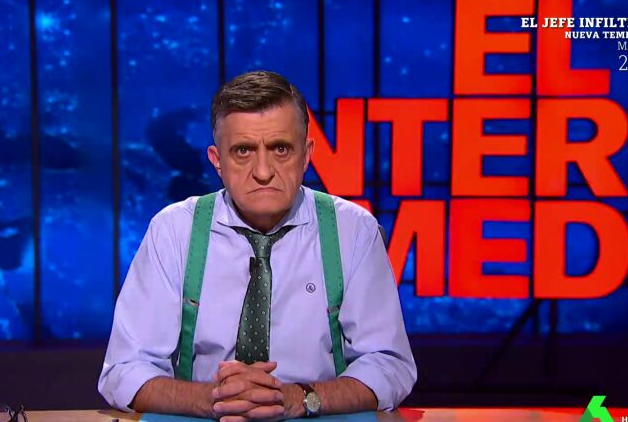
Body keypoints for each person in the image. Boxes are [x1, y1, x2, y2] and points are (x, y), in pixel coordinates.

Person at [98, 70, 416, 420]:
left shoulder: (353, 231)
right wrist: (215, 399)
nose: (263, 171)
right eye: (243, 151)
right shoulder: (173, 231)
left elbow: (389, 365)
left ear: (306, 154)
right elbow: (124, 370)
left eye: (280, 149)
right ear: (217, 160)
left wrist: (299, 399)